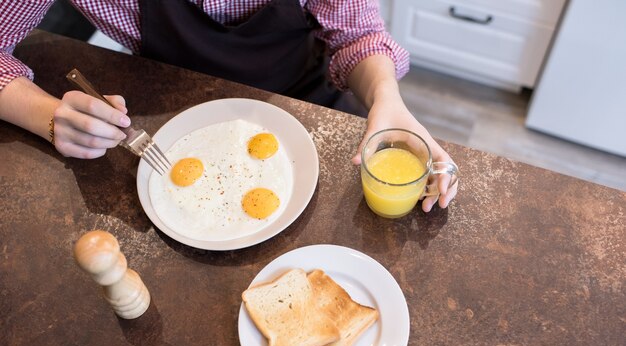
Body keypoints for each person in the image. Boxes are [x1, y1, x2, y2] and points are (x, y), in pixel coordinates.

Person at [0, 0, 457, 212]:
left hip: (313, 108)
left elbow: (355, 33)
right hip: (179, 124)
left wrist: (386, 97)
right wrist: (47, 115)